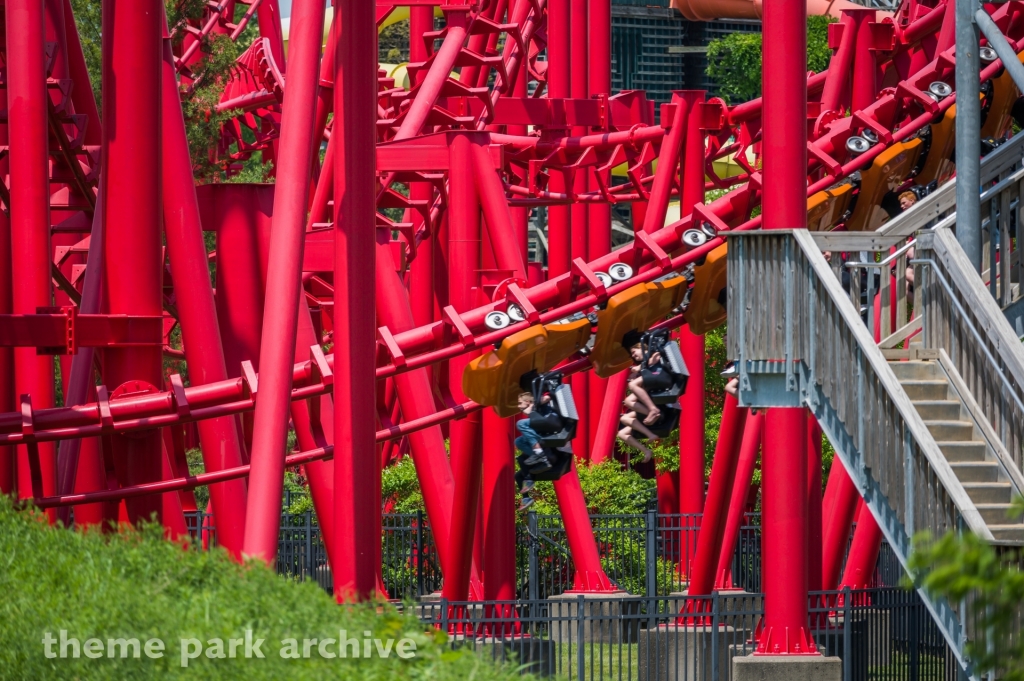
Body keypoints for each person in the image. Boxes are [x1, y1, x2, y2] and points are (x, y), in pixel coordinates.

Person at [513, 392, 552, 509]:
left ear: (528, 402)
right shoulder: (529, 412)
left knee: (520, 424)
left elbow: (548, 397)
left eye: (520, 403)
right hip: (537, 437)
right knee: (520, 461)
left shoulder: (537, 404)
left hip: (545, 435)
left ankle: (540, 454)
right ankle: (526, 498)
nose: (518, 406)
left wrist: (533, 404)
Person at [626, 341, 671, 426]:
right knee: (628, 401)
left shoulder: (653, 353)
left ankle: (653, 409)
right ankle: (656, 414)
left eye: (634, 352)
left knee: (632, 385)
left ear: (641, 347)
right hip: (652, 380)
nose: (633, 356)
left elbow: (656, 358)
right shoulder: (645, 362)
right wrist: (635, 375)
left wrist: (639, 367)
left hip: (661, 375)